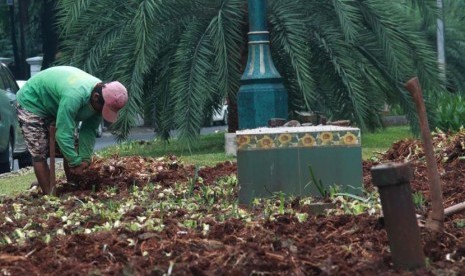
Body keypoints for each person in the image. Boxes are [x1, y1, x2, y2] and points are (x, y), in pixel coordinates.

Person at [16, 66, 128, 195]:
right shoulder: (75, 95)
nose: (100, 113)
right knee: (39, 151)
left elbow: (89, 130)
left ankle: (73, 187)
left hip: (54, 103)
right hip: (32, 101)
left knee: (72, 148)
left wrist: (84, 160)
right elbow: (63, 134)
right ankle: (50, 195)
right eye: (101, 109)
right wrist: (74, 162)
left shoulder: (103, 97)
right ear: (96, 97)